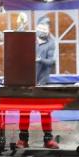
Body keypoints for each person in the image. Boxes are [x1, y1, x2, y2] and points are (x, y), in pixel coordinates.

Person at [17, 16, 60, 150]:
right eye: (40, 27)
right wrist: (21, 25)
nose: (42, 30)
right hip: (27, 83)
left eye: (45, 28)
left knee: (45, 112)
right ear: (36, 27)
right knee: (24, 112)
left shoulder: (52, 43)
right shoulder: (29, 39)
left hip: (43, 83)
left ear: (48, 30)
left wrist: (39, 59)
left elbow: (52, 61)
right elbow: (17, 41)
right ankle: (23, 140)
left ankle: (48, 140)